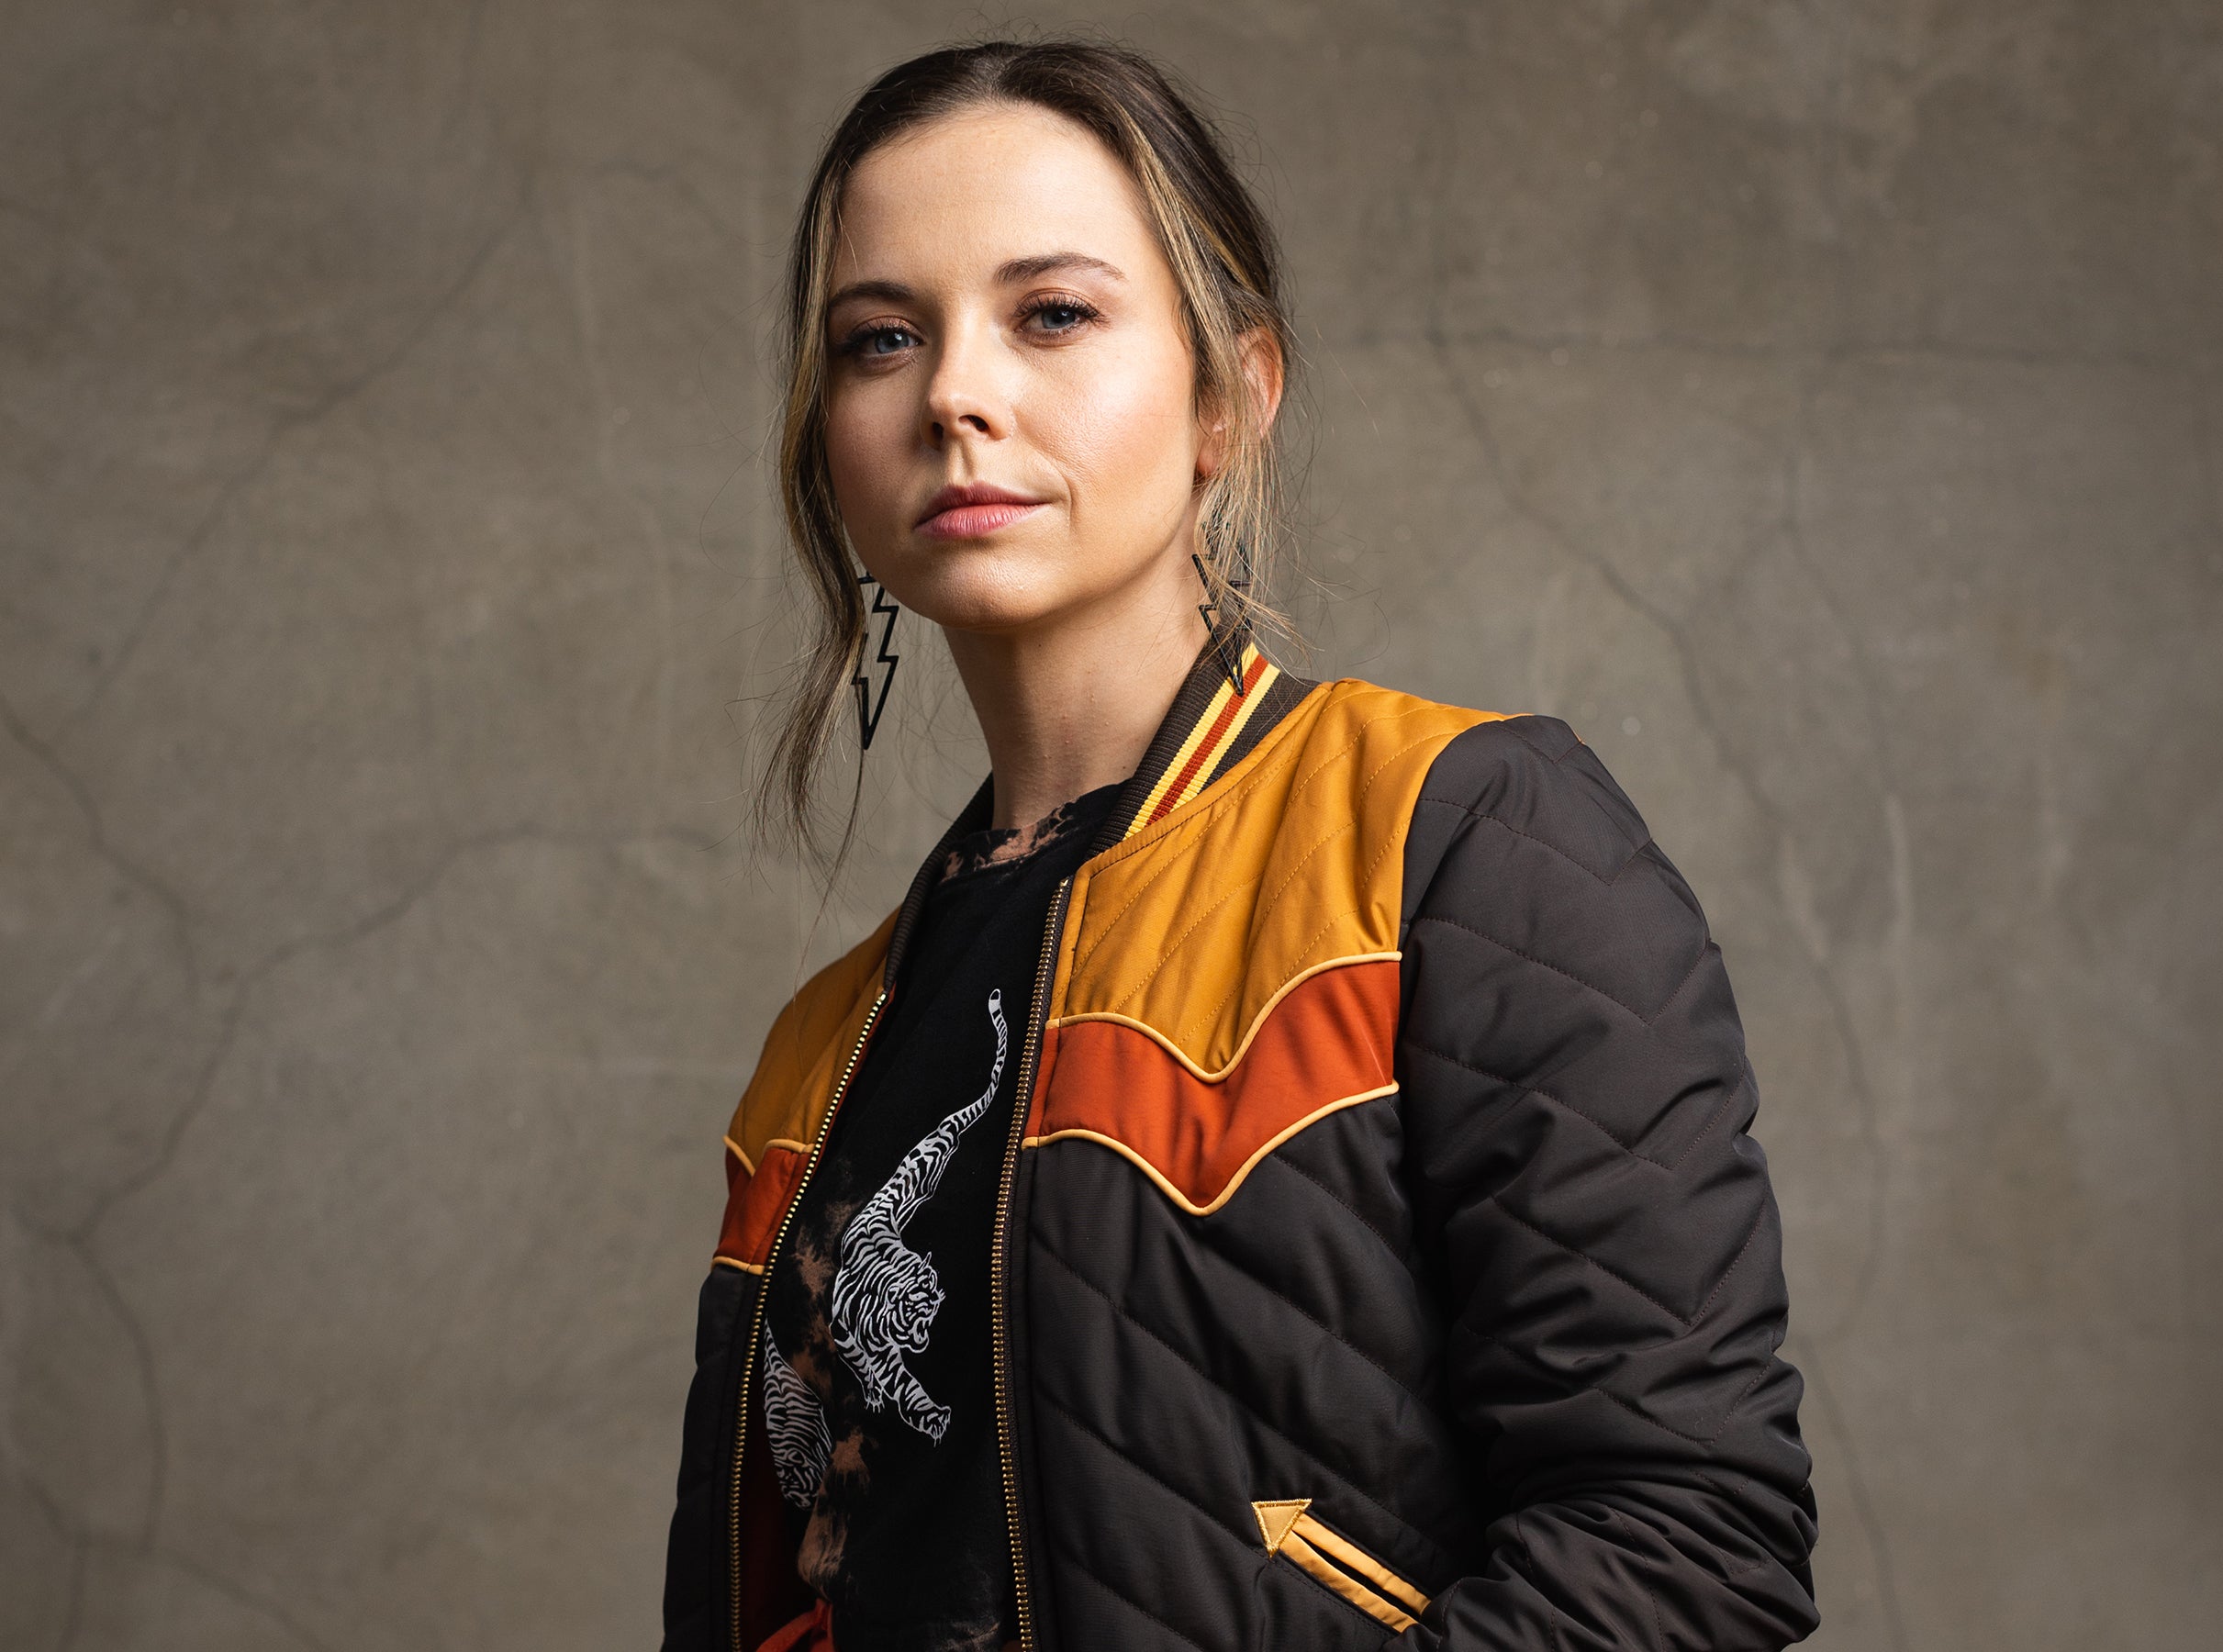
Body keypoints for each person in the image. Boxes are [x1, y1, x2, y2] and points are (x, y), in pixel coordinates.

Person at [661, 38, 1819, 1652]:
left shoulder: (1454, 843)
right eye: (881, 339)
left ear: (1228, 397)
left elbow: (1686, 1541)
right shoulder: (816, 1059)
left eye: (1051, 315)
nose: (953, 395)